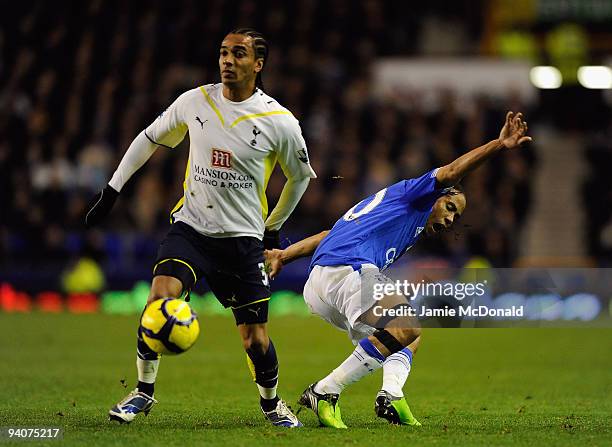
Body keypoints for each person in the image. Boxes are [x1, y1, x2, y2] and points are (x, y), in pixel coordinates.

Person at [85, 28, 316, 427]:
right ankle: (142, 392)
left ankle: (271, 403)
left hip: (243, 241)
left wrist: (273, 229)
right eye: (224, 53)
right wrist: (112, 190)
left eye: (238, 54)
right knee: (158, 300)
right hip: (191, 228)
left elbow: (299, 178)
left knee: (256, 341)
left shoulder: (280, 122)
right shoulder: (196, 100)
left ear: (258, 65)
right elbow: (149, 137)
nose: (227, 60)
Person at [264, 112, 532, 428]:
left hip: (320, 286)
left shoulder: (392, 215)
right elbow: (452, 171)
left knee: (405, 338)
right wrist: (498, 145)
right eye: (450, 208)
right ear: (438, 196)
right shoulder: (415, 195)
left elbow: (327, 236)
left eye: (456, 219)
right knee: (408, 324)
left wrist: (284, 254)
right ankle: (325, 390)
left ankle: (391, 394)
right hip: (347, 270)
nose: (450, 220)